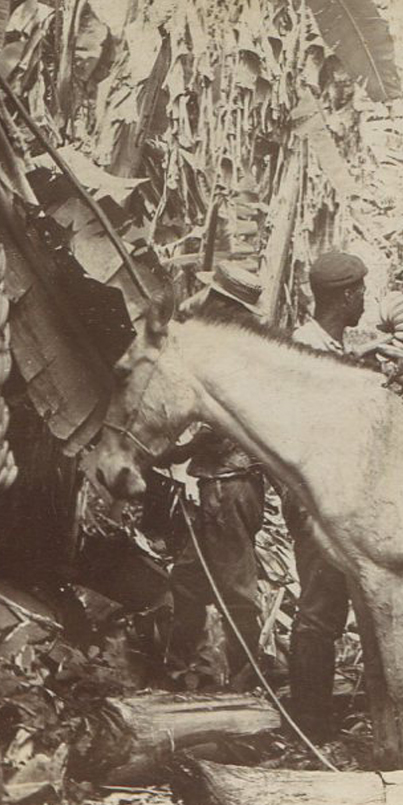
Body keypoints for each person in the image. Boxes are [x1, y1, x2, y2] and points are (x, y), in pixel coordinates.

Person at [158, 262, 268, 687]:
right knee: (188, 579)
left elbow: (216, 428)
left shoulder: (238, 358)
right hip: (218, 484)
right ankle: (180, 670)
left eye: (216, 299)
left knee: (236, 589)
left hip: (229, 485)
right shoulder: (232, 349)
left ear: (228, 307)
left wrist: (178, 450)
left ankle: (246, 676)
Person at [287, 250, 368, 741]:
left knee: (334, 606)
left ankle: (318, 716)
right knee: (319, 609)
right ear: (346, 296)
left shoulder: (332, 347)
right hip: (315, 498)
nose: (365, 301)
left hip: (338, 496)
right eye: (361, 292)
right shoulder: (305, 351)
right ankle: (309, 724)